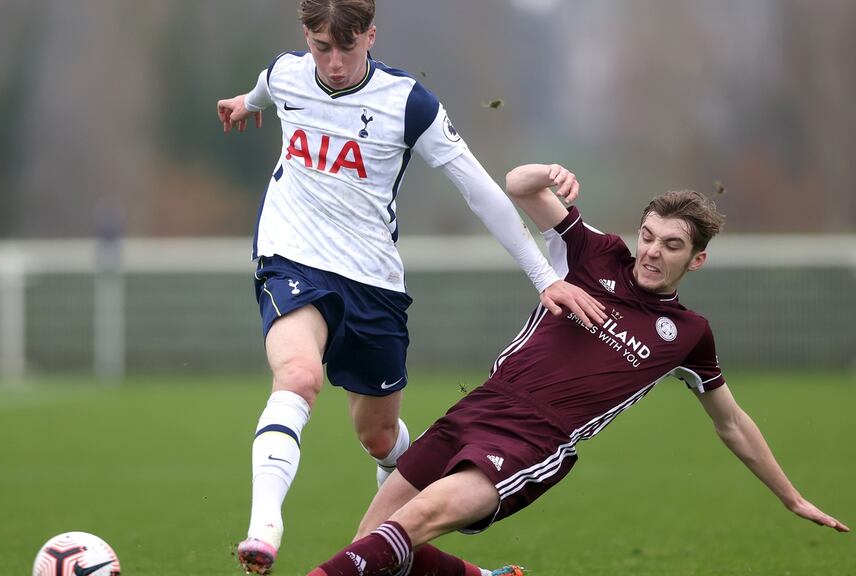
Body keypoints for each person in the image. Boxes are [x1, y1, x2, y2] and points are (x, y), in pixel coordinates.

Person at [306, 163, 850, 576]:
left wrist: (790, 496)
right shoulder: (597, 253)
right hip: (480, 405)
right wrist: (550, 173)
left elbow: (731, 422)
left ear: (697, 259)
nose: (653, 252)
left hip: (535, 441)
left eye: (672, 245)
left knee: (413, 523)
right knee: (374, 538)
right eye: (649, 235)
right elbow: (518, 186)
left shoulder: (688, 334)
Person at [215, 2, 607, 573]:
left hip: (373, 284)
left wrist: (544, 276)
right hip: (292, 259)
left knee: (377, 436)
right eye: (323, 48)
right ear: (307, 37)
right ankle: (264, 528)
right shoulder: (287, 72)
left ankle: (410, 479)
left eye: (348, 49)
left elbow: (479, 191)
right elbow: (264, 90)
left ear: (371, 34)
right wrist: (243, 104)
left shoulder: (408, 103)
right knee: (298, 376)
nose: (335, 63)